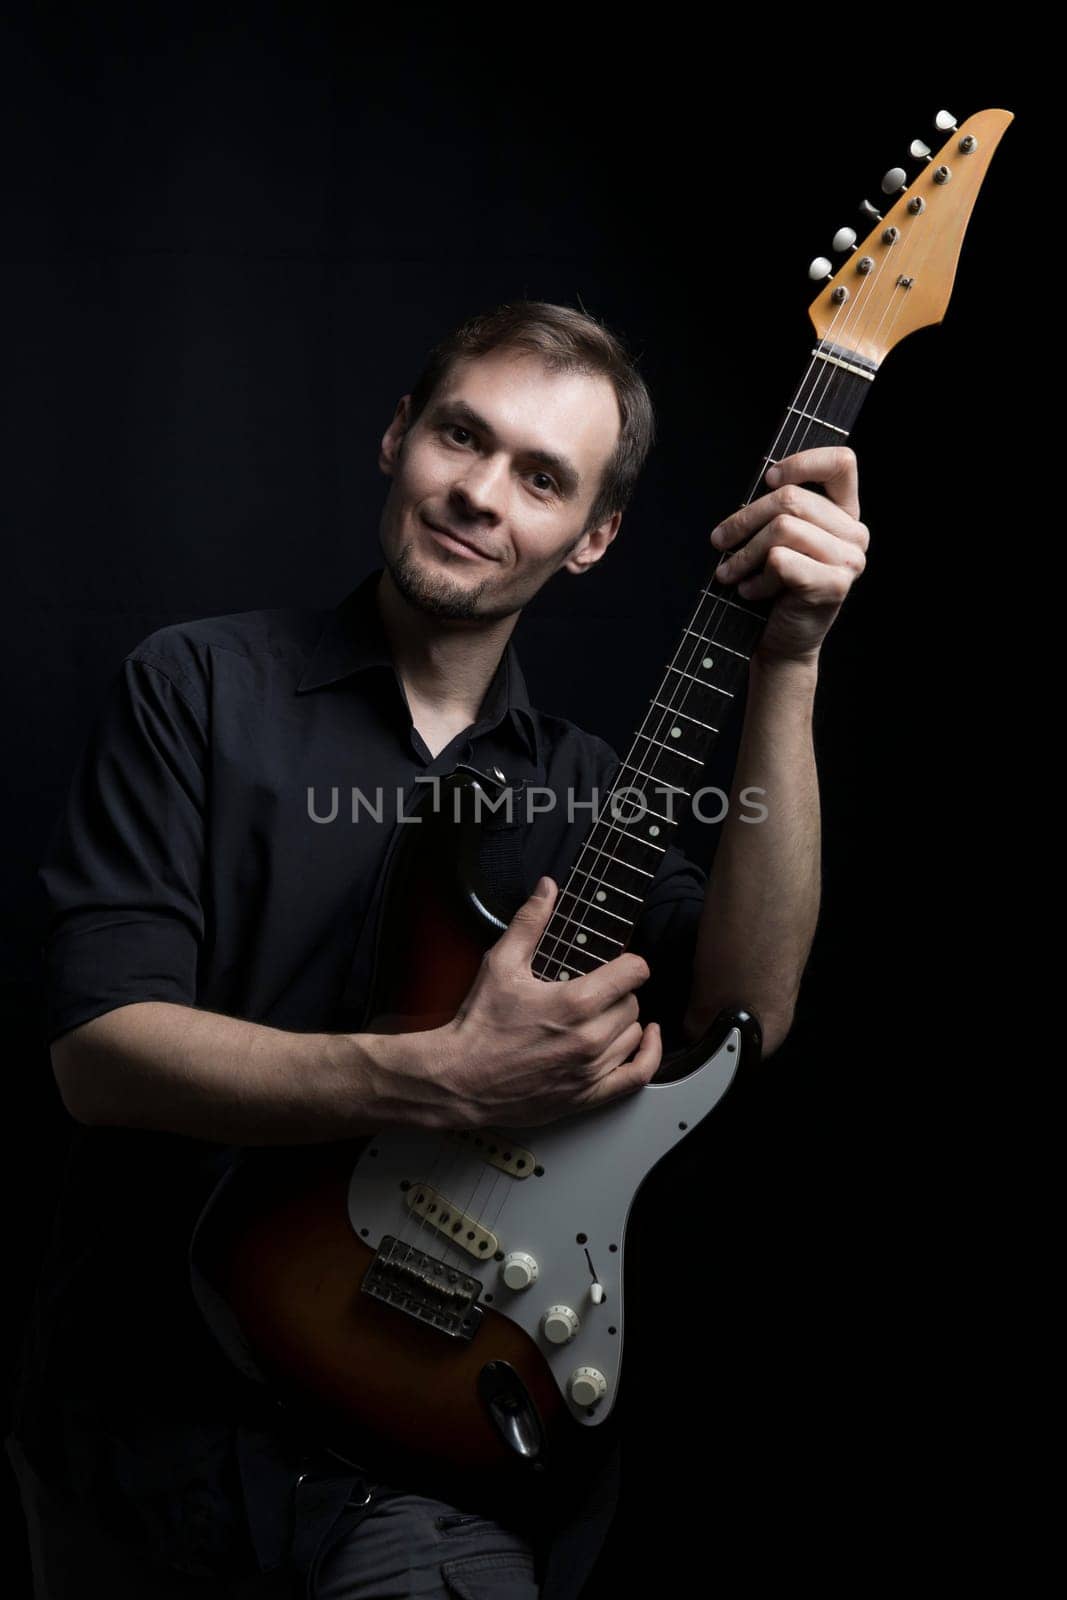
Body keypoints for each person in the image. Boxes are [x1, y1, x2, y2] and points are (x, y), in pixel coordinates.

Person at [8, 300, 869, 1598]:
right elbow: (99, 1053)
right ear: (396, 434)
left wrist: (792, 659)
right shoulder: (193, 689)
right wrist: (442, 1077)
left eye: (541, 476)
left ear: (595, 539)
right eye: (460, 436)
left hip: (436, 1455)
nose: (479, 492)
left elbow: (752, 1009)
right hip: (146, 1433)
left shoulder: (600, 796)